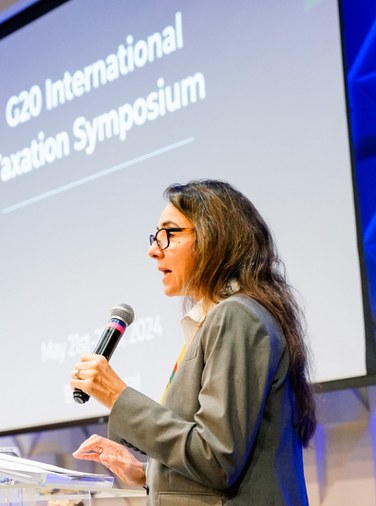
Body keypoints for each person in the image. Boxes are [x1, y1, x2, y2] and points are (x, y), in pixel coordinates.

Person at [70, 179, 316, 504]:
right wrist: (147, 473)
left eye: (168, 234)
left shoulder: (237, 315)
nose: (153, 249)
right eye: (155, 236)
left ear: (214, 237)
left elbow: (216, 457)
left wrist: (117, 396)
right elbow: (217, 459)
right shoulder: (223, 318)